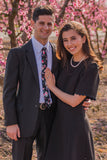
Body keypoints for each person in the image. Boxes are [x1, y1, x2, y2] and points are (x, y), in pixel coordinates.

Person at [3, 6, 90, 160]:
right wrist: (11, 122)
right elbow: (8, 91)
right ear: (32, 23)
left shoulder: (60, 55)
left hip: (52, 118)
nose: (45, 27)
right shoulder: (18, 54)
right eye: (41, 23)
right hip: (24, 119)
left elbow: (69, 83)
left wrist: (83, 97)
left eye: (49, 24)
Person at [44, 21, 102, 160]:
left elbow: (74, 101)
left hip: (75, 127)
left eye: (73, 38)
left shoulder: (90, 67)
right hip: (58, 124)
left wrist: (52, 87)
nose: (70, 44)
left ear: (83, 38)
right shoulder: (64, 62)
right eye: (65, 40)